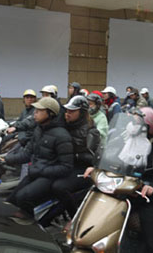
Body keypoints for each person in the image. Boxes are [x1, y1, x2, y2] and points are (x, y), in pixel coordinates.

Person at [85, 107, 153, 253]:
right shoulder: (122, 140)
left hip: (144, 196)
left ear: (147, 126)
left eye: (136, 120)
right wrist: (96, 168)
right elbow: (107, 158)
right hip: (120, 189)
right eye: (131, 119)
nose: (131, 123)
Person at [5, 97, 73, 216]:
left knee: (22, 198)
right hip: (35, 173)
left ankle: (32, 229)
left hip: (49, 177)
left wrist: (40, 170)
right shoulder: (39, 130)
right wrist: (5, 159)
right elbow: (26, 154)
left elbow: (66, 167)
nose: (34, 113)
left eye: (39, 111)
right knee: (11, 201)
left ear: (50, 113)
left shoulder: (62, 136)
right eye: (35, 110)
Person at [41, 96, 101, 226]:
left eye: (72, 111)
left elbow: (92, 157)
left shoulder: (91, 131)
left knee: (59, 187)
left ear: (82, 112)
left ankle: (77, 220)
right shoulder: (64, 124)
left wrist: (72, 153)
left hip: (83, 169)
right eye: (67, 111)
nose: (68, 114)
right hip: (65, 165)